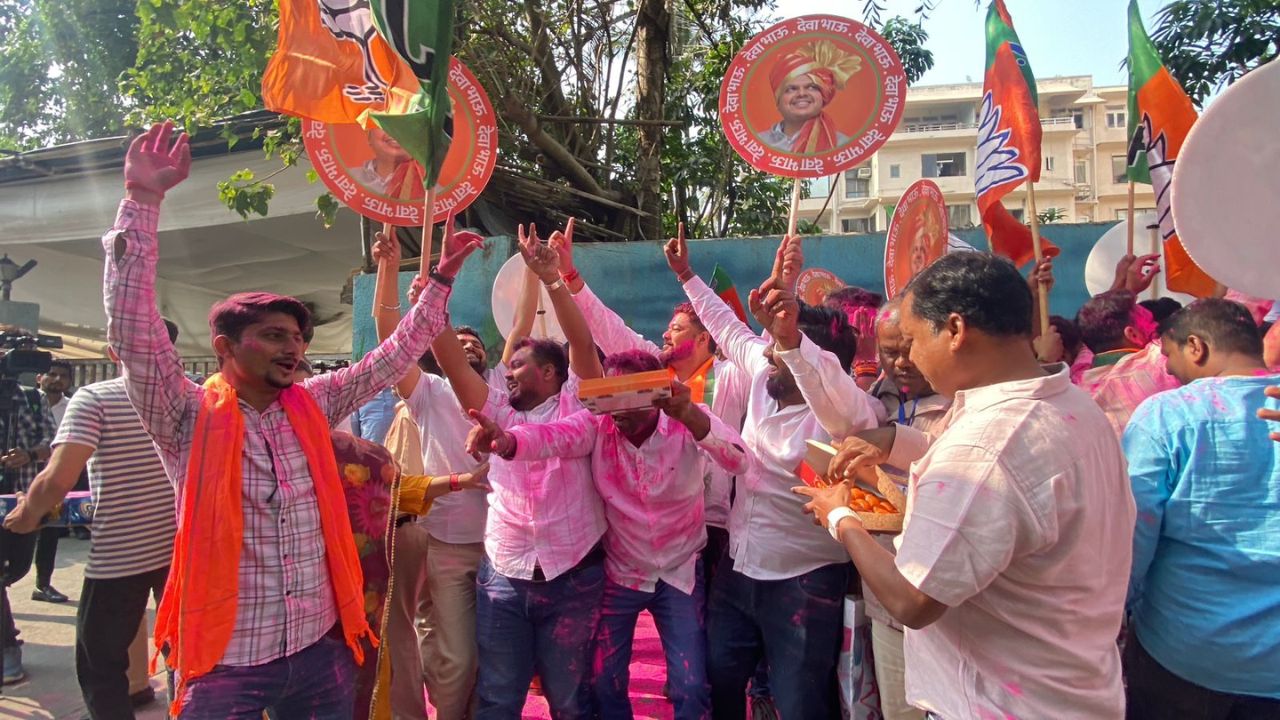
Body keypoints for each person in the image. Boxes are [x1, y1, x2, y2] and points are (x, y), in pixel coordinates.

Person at [101, 121, 476, 717]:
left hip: (318, 651)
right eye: (272, 336)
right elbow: (135, 331)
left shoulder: (315, 404)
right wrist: (142, 204)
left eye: (298, 338)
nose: (293, 349)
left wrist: (442, 280)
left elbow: (395, 356)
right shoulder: (185, 415)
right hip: (224, 663)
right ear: (224, 347)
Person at [796, 252, 1135, 719]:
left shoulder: (986, 447)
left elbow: (911, 598)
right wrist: (895, 443)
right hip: (1075, 688)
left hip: (1000, 703)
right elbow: (1010, 483)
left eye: (913, 340)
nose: (908, 358)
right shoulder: (1072, 406)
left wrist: (841, 517)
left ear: (954, 331)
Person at [469, 349, 749, 720]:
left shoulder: (684, 421)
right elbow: (553, 436)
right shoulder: (597, 425)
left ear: (654, 395)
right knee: (603, 683)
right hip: (622, 573)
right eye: (608, 397)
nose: (617, 409)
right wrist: (506, 442)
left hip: (679, 572)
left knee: (692, 685)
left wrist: (692, 417)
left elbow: (739, 461)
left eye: (629, 396)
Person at [665, 230, 876, 719]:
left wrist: (793, 341)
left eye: (788, 348)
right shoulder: (764, 375)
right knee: (720, 679)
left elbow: (841, 401)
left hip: (805, 579)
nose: (770, 354)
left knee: (800, 701)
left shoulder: (848, 414)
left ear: (826, 364)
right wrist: (686, 275)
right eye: (777, 346)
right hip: (738, 572)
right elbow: (724, 326)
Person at [432, 221, 607, 719]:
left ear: (552, 374)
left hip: (574, 573)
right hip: (504, 575)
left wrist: (553, 279)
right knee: (498, 697)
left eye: (519, 364)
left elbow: (582, 344)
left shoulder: (578, 402)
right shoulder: (496, 407)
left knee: (570, 701)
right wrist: (436, 290)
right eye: (507, 368)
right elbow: (450, 363)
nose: (506, 371)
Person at [555, 222, 750, 597]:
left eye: (675, 329)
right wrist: (570, 276)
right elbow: (608, 327)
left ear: (703, 338)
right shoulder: (655, 374)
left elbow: (746, 342)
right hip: (661, 526)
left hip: (718, 522)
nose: (665, 334)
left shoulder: (733, 378)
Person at [369, 218, 513, 720]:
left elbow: (519, 333)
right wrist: (387, 269)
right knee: (456, 658)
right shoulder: (427, 392)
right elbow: (389, 338)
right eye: (458, 340)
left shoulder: (505, 395)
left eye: (476, 344)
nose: (468, 346)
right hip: (448, 546)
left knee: (497, 659)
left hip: (507, 549)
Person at [3, 325, 182, 718]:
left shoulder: (96, 397)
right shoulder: (192, 398)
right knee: (189, 659)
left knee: (100, 664)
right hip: (183, 552)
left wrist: (28, 513)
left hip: (120, 556)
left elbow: (57, 477)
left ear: (114, 351)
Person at [1122, 299, 1280, 718]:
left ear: (1196, 347)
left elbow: (1132, 535)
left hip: (1184, 655)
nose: (1169, 371)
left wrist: (1118, 612)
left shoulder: (1166, 414)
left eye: (1170, 356)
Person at [858, 297, 951, 720]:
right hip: (886, 603)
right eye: (888, 351)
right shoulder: (871, 403)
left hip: (950, 609)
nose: (900, 362)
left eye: (908, 347)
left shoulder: (966, 406)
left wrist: (891, 443)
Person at [0, 353, 54, 684]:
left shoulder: (33, 399)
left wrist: (29, 455)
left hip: (23, 503)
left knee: (17, 569)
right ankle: (8, 647)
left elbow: (54, 443)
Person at [1076, 287, 1178, 437]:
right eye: (1152, 323)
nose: (1157, 329)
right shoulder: (1158, 360)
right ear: (1132, 334)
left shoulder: (1076, 384)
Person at [759, 40, 858, 154]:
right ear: (778, 100)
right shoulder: (758, 144)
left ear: (823, 96)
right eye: (791, 89)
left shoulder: (842, 145)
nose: (802, 94)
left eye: (811, 87)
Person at [29, 359, 75, 604]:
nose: (57, 379)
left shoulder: (74, 407)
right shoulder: (25, 402)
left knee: (49, 535)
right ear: (39, 377)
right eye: (51, 374)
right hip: (22, 476)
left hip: (55, 481)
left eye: (63, 376)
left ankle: (42, 585)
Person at [356, 127, 414, 195]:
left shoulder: (428, 186)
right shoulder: (346, 182)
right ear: (369, 137)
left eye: (405, 123)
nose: (394, 130)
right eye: (383, 120)